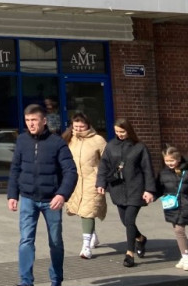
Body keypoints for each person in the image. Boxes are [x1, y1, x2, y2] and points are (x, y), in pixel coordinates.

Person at [7, 103, 77, 286]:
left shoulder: (57, 143)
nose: (30, 124)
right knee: (26, 239)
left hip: (51, 200)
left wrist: (62, 194)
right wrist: (12, 194)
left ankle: (56, 281)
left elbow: (70, 171)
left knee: (55, 242)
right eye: (27, 121)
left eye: (34, 120)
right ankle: (26, 283)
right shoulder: (21, 141)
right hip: (28, 198)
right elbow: (15, 169)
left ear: (44, 121)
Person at [96, 118, 155, 267]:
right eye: (117, 132)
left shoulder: (139, 147)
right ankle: (140, 239)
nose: (119, 134)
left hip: (136, 188)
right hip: (118, 189)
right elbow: (104, 166)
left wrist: (149, 190)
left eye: (122, 131)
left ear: (129, 130)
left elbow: (148, 169)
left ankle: (130, 253)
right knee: (125, 221)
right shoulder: (110, 146)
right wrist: (101, 183)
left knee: (129, 219)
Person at [62, 112, 107, 258]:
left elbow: (106, 161)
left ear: (88, 126)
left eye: (82, 127)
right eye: (76, 127)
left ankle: (86, 246)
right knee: (81, 211)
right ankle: (92, 234)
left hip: (92, 181)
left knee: (88, 211)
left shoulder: (98, 140)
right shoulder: (69, 139)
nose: (79, 129)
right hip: (75, 181)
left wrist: (103, 180)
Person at [156, 145, 188, 271]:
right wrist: (150, 196)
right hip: (173, 207)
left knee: (179, 231)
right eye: (166, 161)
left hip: (185, 205)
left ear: (178, 159)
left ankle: (185, 257)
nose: (169, 163)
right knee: (178, 231)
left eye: (172, 161)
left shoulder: (186, 172)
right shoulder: (163, 173)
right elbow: (158, 189)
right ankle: (185, 256)